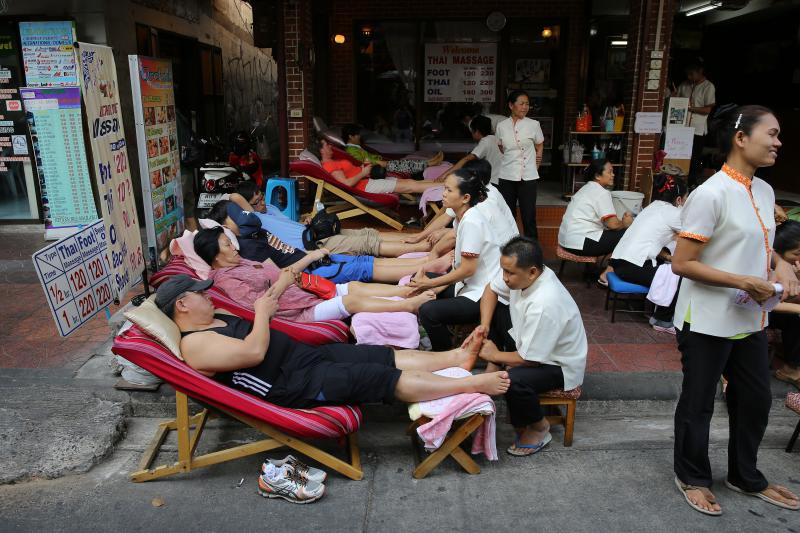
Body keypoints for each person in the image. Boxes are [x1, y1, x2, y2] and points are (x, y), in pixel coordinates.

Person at [670, 105, 799, 515]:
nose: (779, 142)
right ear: (741, 139)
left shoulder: (763, 190)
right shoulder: (711, 194)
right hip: (706, 318)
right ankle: (691, 475)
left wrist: (779, 265)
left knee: (756, 400)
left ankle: (745, 476)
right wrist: (744, 281)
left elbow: (764, 245)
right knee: (699, 402)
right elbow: (682, 263)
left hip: (750, 317)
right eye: (773, 134)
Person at [465, 236, 587, 456]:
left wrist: (496, 354)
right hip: (530, 342)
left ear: (532, 272)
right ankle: (494, 362)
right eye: (503, 270)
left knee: (512, 381)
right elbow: (491, 289)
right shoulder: (525, 274)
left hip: (558, 364)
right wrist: (483, 327)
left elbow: (531, 359)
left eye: (510, 273)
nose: (505, 278)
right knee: (497, 312)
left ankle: (539, 427)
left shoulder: (545, 303)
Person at [193, 227, 435, 322]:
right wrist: (283, 283)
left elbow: (282, 274)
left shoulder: (241, 261)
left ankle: (405, 290)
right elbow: (257, 307)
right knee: (350, 300)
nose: (234, 247)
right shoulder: (227, 280)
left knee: (352, 286)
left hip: (307, 291)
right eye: (227, 245)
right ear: (214, 255)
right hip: (297, 315)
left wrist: (307, 259)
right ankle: (409, 305)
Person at [207, 200, 451, 284]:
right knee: (365, 259)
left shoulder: (261, 218)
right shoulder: (249, 233)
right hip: (312, 257)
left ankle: (424, 250)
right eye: (236, 213)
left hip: (315, 245)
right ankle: (426, 255)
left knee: (367, 244)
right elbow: (277, 273)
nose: (255, 206)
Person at [410, 169, 503, 350]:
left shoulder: (472, 223)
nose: (443, 194)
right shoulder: (462, 219)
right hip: (468, 285)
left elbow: (467, 270)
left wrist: (430, 284)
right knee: (420, 280)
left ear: (465, 198)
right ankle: (440, 336)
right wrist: (431, 283)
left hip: (482, 295)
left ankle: (446, 356)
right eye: (444, 188)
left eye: (449, 190)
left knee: (428, 311)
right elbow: (459, 269)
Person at [229, 181, 431, 257]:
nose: (262, 202)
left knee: (367, 232)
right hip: (311, 244)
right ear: (248, 207)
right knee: (367, 243)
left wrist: (304, 220)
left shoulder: (270, 208)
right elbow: (233, 197)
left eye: (262, 197)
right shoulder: (254, 219)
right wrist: (249, 207)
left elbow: (287, 225)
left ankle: (421, 238)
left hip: (314, 231)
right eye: (256, 201)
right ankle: (426, 249)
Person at [609, 174, 688, 333]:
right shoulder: (672, 212)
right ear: (679, 200)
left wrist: (667, 256)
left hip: (619, 262)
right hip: (633, 266)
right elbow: (697, 233)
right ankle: (662, 319)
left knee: (667, 266)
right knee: (682, 274)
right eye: (686, 199)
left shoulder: (652, 207)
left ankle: (655, 308)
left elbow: (649, 240)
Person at [405, 159, 518, 255]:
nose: (444, 193)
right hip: (485, 246)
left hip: (502, 252)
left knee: (429, 245)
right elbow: (446, 217)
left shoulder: (486, 200)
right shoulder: (471, 191)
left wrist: (444, 234)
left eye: (449, 190)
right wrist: (419, 236)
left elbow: (471, 232)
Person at [312, 138, 442, 195]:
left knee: (410, 182)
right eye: (326, 145)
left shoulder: (333, 161)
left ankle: (442, 183)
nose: (330, 146)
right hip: (366, 186)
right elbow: (346, 183)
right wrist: (363, 173)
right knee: (410, 186)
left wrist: (363, 170)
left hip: (368, 180)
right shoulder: (329, 165)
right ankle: (448, 187)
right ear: (321, 151)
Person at [558, 158, 632, 257]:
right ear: (597, 176)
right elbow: (613, 224)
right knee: (629, 233)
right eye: (610, 172)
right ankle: (613, 268)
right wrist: (625, 223)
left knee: (612, 232)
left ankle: (597, 267)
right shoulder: (601, 192)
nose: (613, 175)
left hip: (566, 241)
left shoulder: (585, 188)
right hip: (581, 244)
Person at [496, 90, 544, 239]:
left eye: (527, 104)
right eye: (521, 104)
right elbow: (501, 147)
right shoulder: (501, 126)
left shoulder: (534, 125)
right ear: (511, 105)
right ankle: (509, 249)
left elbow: (539, 145)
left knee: (528, 216)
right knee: (507, 215)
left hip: (528, 178)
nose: (525, 107)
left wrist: (536, 165)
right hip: (506, 176)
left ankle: (533, 253)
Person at [672, 61, 716, 187]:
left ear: (700, 71)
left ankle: (691, 184)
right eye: (688, 74)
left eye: (692, 74)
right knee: (679, 155)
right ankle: (677, 182)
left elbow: (707, 109)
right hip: (682, 127)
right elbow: (676, 100)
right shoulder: (684, 85)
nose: (689, 77)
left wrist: (690, 108)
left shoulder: (708, 87)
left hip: (697, 129)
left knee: (694, 158)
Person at [768, 220, 800, 389]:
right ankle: (791, 368)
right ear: (778, 254)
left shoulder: (795, 267)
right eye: (797, 253)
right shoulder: (770, 269)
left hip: (782, 310)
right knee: (796, 318)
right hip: (762, 314)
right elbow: (767, 304)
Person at [341, 123, 443, 176]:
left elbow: (366, 157)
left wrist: (377, 158)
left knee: (405, 162)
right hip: (376, 168)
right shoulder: (351, 150)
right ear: (351, 136)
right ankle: (430, 163)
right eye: (357, 134)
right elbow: (361, 161)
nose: (359, 136)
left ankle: (430, 162)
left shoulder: (356, 148)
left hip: (379, 164)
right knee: (405, 165)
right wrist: (377, 161)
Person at [437, 116, 503, 185]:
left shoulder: (485, 141)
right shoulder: (496, 139)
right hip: (500, 181)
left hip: (492, 182)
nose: (471, 135)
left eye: (472, 132)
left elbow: (466, 159)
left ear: (477, 131)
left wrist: (444, 175)